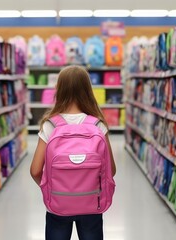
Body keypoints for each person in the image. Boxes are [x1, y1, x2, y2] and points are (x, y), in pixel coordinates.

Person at [30, 65, 116, 240]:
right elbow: (111, 170)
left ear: (59, 90)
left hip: (58, 203)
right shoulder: (97, 125)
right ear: (88, 90)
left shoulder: (50, 125)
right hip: (92, 202)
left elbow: (35, 170)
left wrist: (51, 187)